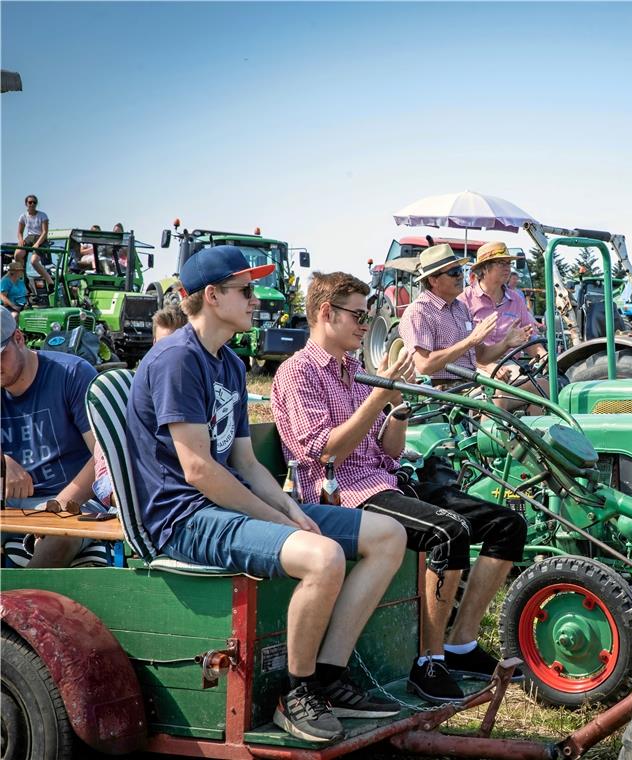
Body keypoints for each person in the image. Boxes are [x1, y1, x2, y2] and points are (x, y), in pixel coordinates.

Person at [127, 246, 408, 743]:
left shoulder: (230, 364)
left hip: (222, 505)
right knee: (322, 558)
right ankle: (296, 694)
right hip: (182, 519)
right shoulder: (176, 360)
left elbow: (246, 463)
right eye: (246, 291)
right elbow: (197, 471)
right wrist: (278, 520)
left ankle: (328, 677)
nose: (256, 300)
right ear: (212, 297)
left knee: (387, 534)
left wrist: (289, 507)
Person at [274, 271, 527, 704]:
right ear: (325, 313)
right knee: (448, 530)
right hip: (342, 495)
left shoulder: (354, 369)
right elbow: (326, 455)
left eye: (366, 314)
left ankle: (460, 644)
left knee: (508, 524)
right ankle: (428, 663)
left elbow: (388, 452)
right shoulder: (298, 373)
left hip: (382, 481)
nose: (364, 323)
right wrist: (380, 396)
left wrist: (399, 411)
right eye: (357, 314)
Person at [1, 307, 107, 568]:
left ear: (19, 339)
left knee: (62, 537)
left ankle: (23, 603)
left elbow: (103, 453)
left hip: (75, 501)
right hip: (11, 504)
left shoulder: (72, 374)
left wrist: (59, 503)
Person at [92, 305, 188, 509]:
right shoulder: (130, 394)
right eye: (162, 347)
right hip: (147, 501)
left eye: (176, 349)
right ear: (153, 344)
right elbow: (106, 481)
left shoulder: (196, 390)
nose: (168, 357)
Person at [398, 244, 528, 388]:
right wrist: (469, 341)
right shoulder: (419, 311)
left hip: (469, 386)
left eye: (460, 270)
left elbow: (481, 356)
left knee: (540, 385)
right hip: (441, 391)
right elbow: (424, 365)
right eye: (453, 272)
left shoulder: (460, 307)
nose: (460, 276)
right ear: (433, 280)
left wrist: (506, 343)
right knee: (502, 395)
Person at [459, 242, 548, 413]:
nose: (507, 268)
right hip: (474, 368)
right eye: (501, 263)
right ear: (484, 268)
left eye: (509, 263)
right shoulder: (464, 301)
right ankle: (493, 436)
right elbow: (461, 348)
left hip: (511, 365)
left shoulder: (516, 299)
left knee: (545, 386)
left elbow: (528, 339)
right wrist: (488, 366)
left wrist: (543, 355)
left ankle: (532, 434)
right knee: (499, 389)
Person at [15, 195, 53, 289]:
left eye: (34, 202)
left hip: (40, 238)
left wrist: (37, 244)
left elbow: (45, 232)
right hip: (29, 238)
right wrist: (20, 240)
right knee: (17, 255)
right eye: (30, 202)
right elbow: (19, 232)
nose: (32, 204)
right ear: (26, 204)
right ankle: (23, 277)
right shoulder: (23, 216)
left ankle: (50, 281)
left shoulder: (42, 215)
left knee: (34, 261)